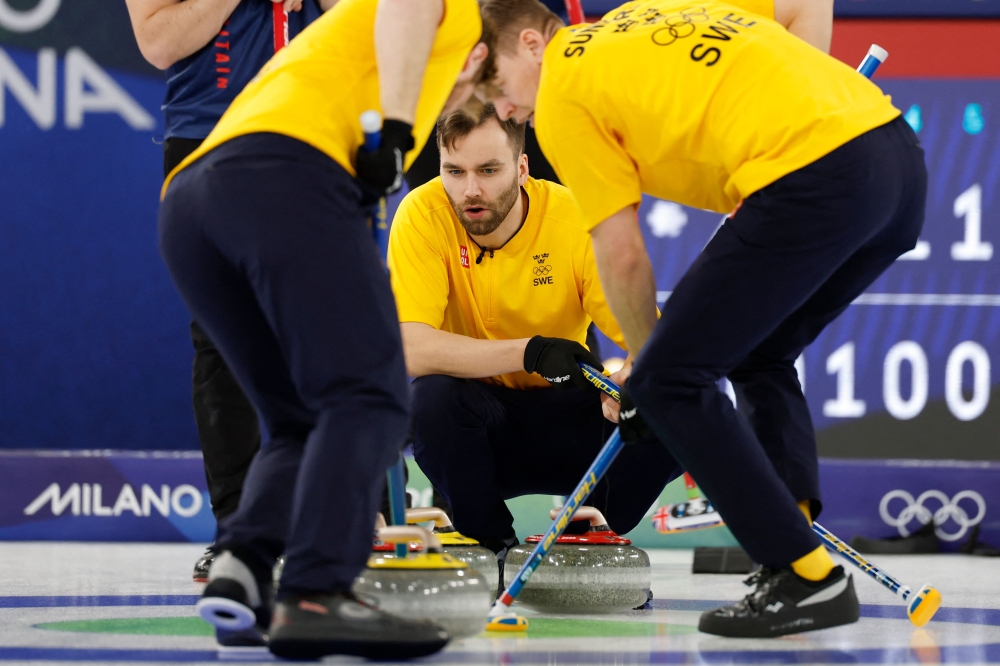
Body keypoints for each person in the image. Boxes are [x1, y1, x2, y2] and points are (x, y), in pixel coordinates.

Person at [478, 0, 926, 637]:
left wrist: (644, 369)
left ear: (531, 44)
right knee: (758, 352)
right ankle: (790, 543)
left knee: (667, 380)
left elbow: (623, 253)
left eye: (495, 84)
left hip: (813, 172)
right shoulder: (639, 16)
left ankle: (805, 576)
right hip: (896, 160)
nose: (502, 109)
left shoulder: (562, 93)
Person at [157, 0, 490, 658]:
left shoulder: (352, 44)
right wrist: (394, 133)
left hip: (190, 199)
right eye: (508, 101)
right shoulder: (460, 24)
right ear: (497, 55)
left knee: (299, 418)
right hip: (278, 179)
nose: (506, 115)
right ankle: (316, 590)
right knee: (371, 394)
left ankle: (243, 562)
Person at [388, 104, 680, 594]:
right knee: (431, 398)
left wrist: (630, 379)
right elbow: (411, 349)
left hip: (577, 424)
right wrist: (529, 351)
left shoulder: (574, 215)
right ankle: (491, 543)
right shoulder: (422, 212)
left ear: (522, 169)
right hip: (481, 431)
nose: (470, 190)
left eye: (488, 170)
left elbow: (644, 339)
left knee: (669, 398)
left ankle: (598, 524)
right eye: (454, 171)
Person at [125, 0, 332, 582]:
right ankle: (240, 531)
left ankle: (334, 519)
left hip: (312, 127)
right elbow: (160, 42)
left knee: (325, 327)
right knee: (223, 336)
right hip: (208, 133)